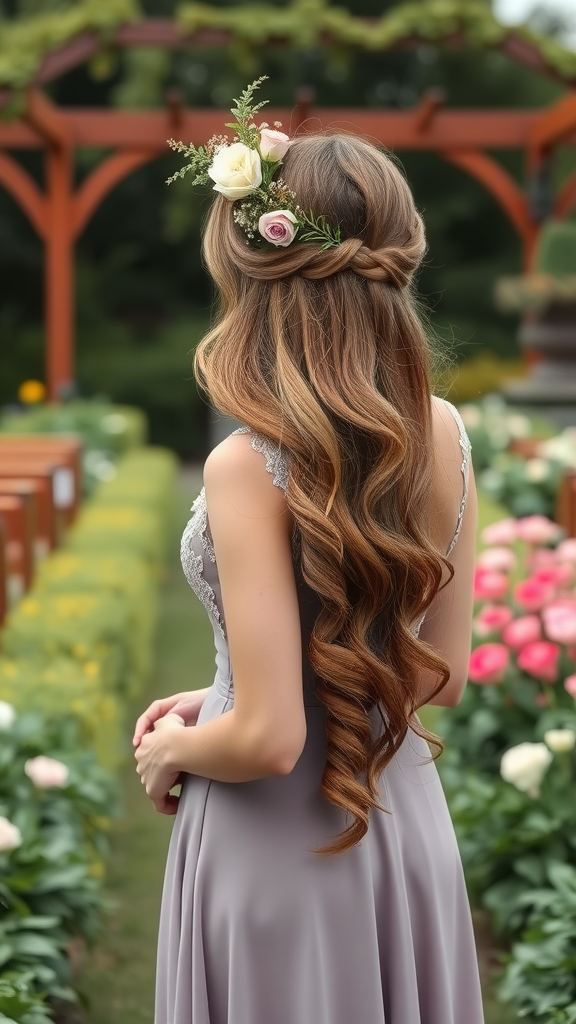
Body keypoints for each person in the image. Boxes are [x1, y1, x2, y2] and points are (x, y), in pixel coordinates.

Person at [133, 80, 483, 1024]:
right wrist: (221, 695)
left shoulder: (246, 466)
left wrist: (177, 746)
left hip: (279, 858)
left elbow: (271, 737)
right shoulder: (445, 432)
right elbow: (439, 676)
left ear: (253, 272)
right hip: (405, 833)